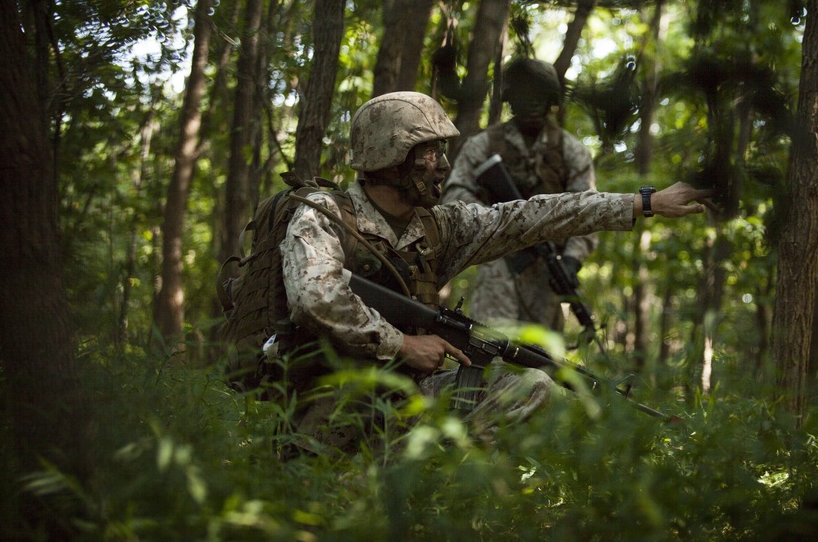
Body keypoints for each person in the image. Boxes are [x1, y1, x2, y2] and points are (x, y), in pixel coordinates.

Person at [274, 91, 713, 455]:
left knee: (532, 387)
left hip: (401, 402)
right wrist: (403, 343)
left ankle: (436, 499)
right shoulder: (325, 216)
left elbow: (533, 216)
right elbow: (315, 294)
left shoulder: (438, 227)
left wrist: (643, 203)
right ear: (392, 160)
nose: (443, 165)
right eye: (429, 152)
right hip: (324, 407)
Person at [441, 57, 596, 332]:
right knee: (490, 344)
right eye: (526, 96)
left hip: (545, 272)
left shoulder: (571, 151)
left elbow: (587, 210)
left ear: (552, 101)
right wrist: (497, 221)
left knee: (542, 359)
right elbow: (455, 193)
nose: (534, 104)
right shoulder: (484, 144)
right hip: (498, 262)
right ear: (511, 100)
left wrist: (572, 260)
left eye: (541, 97)